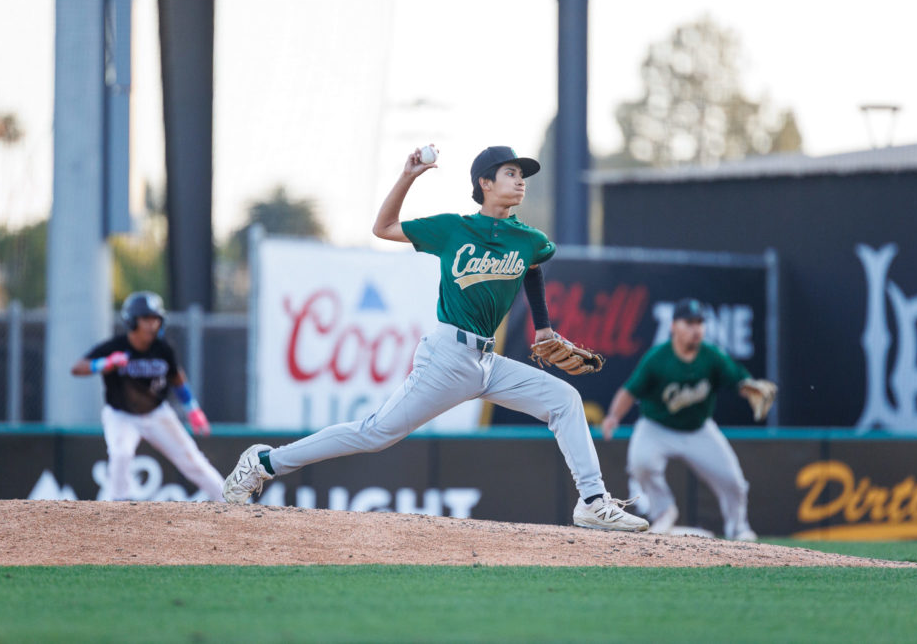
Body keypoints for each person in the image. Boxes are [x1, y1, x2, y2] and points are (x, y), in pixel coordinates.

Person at [223, 145, 648, 532]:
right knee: (375, 433)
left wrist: (543, 327)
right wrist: (409, 175)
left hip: (488, 362)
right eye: (511, 173)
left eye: (523, 175)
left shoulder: (528, 239)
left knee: (565, 400)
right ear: (484, 183)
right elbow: (383, 227)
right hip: (447, 356)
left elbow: (534, 268)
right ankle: (264, 462)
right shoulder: (452, 229)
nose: (521, 181)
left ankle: (593, 501)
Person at [601, 298, 775, 541]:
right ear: (673, 326)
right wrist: (613, 417)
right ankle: (663, 510)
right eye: (689, 323)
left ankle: (738, 527)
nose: (696, 329)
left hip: (698, 429)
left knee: (733, 482)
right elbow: (629, 391)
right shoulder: (658, 358)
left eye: (700, 323)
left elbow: (738, 380)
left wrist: (749, 388)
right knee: (641, 463)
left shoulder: (712, 356)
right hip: (657, 427)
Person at [71, 291, 225, 502]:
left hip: (156, 413)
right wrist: (105, 364)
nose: (152, 325)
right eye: (146, 319)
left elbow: (177, 378)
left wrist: (193, 408)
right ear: (132, 321)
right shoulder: (116, 346)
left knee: (192, 459)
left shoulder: (162, 349)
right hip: (121, 414)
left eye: (155, 319)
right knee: (121, 454)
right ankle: (118, 504)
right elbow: (78, 368)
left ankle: (228, 498)